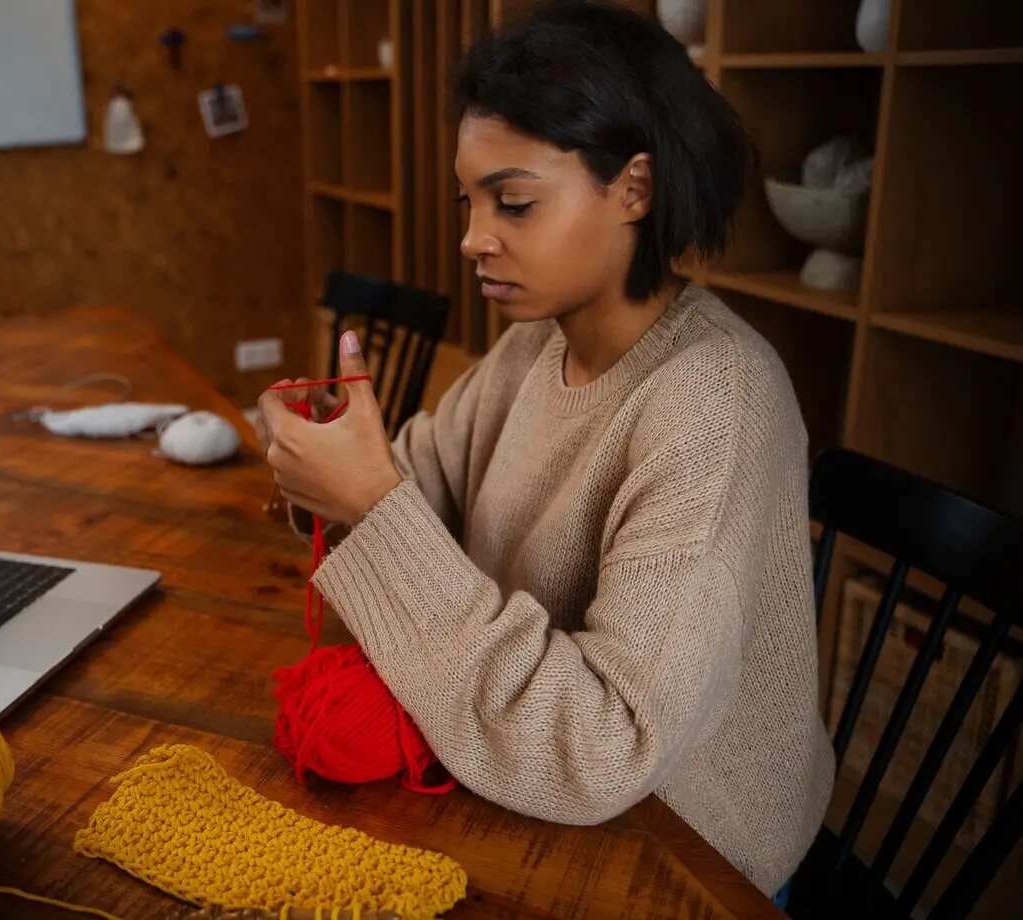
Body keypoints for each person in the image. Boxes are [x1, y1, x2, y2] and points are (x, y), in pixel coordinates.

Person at [256, 0, 833, 906]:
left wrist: (367, 502)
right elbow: (421, 487)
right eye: (471, 201)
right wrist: (326, 464)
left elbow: (607, 748)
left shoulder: (716, 400)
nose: (474, 238)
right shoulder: (538, 341)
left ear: (633, 189)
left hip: (685, 853)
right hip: (536, 784)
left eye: (513, 202)